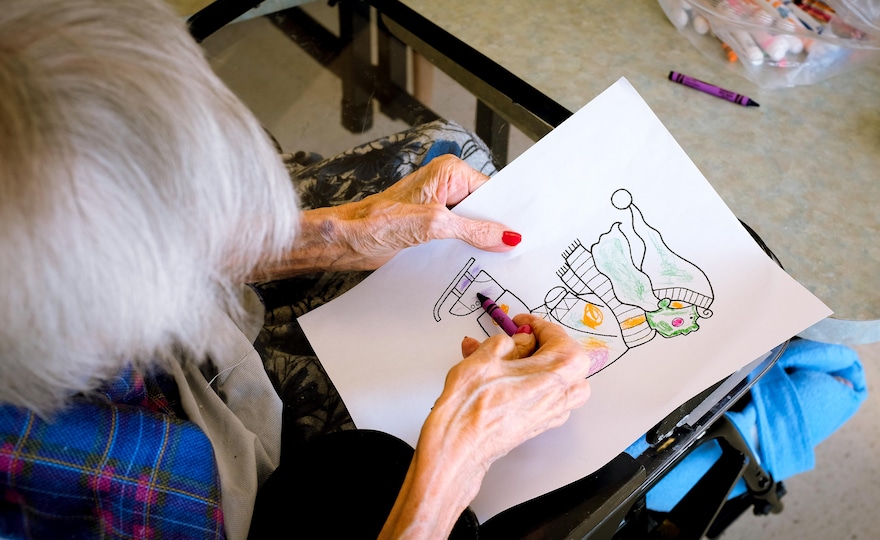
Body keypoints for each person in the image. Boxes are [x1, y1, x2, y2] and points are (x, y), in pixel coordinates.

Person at [0, 0, 591, 538]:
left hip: (197, 373)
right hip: (242, 499)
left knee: (450, 156)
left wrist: (339, 233)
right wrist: (454, 465)